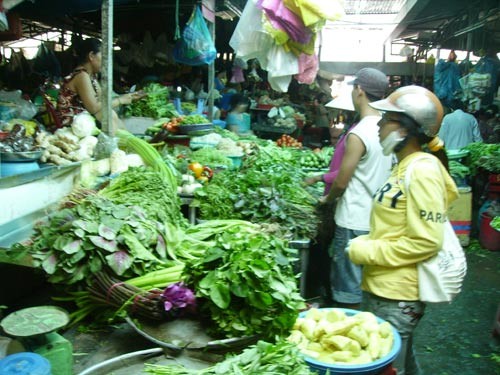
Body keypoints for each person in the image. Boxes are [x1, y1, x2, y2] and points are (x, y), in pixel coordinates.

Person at [347, 85, 459, 375]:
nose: (380, 126)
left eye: (386, 120)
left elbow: (425, 242)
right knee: (399, 363)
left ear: (406, 129)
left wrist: (366, 249)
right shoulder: (403, 166)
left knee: (386, 367)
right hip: (381, 287)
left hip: (398, 295)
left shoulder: (422, 170)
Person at [321, 68, 393, 310]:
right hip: (377, 218)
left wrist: (328, 201)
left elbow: (341, 181)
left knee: (346, 286)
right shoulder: (388, 128)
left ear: (359, 90)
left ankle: (348, 328)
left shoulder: (360, 132)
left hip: (353, 218)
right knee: (364, 282)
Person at [56, 38, 143, 131]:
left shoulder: (91, 76)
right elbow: (93, 108)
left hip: (83, 119)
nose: (106, 61)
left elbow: (103, 100)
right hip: (73, 124)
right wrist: (120, 100)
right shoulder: (81, 75)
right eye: (104, 56)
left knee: (109, 113)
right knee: (106, 115)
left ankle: (127, 140)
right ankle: (123, 142)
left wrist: (129, 97)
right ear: (91, 56)